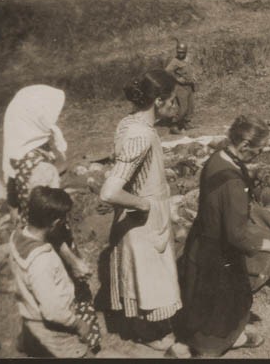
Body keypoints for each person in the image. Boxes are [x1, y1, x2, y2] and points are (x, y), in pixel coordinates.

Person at [178, 115, 270, 357]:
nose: (259, 155)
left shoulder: (218, 158)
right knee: (221, 299)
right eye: (258, 151)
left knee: (206, 298)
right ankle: (211, 346)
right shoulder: (232, 185)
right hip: (218, 251)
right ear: (244, 146)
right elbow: (237, 236)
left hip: (203, 241)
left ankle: (205, 339)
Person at [99, 69, 186, 355]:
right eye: (172, 99)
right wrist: (143, 204)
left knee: (149, 273)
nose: (175, 105)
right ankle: (151, 335)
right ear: (158, 101)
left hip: (147, 216)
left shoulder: (132, 123)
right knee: (149, 275)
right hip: (142, 220)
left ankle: (149, 327)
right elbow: (110, 192)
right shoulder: (140, 136)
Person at [2, 85, 91, 283]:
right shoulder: (44, 169)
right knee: (65, 297)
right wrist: (73, 262)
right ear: (38, 121)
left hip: (28, 242)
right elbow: (50, 223)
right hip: (51, 245)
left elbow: (16, 209)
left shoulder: (17, 157)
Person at [9, 186, 101, 357]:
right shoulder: (42, 261)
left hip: (31, 320)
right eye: (64, 220)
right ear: (56, 223)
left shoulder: (17, 237)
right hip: (55, 332)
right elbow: (53, 311)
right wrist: (79, 324)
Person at [165, 41, 198, 134]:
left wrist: (193, 76)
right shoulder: (175, 61)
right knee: (183, 108)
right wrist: (177, 78)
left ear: (186, 52)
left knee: (191, 107)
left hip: (189, 86)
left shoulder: (187, 59)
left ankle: (186, 123)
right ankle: (174, 125)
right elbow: (167, 71)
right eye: (178, 52)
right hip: (180, 88)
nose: (180, 54)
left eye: (182, 52)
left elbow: (190, 68)